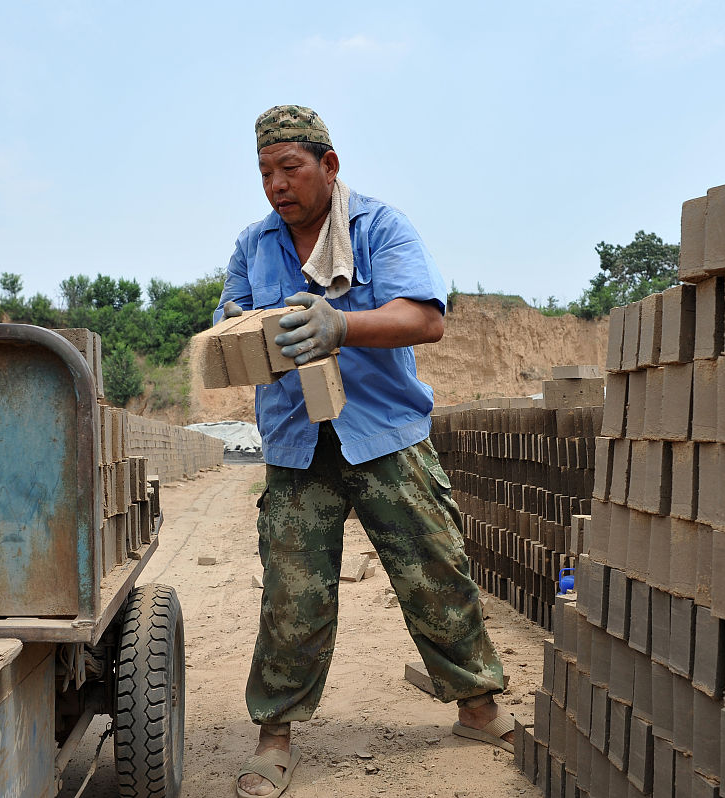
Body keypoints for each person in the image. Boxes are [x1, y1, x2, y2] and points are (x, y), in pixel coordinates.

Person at [217, 105, 512, 798]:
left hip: (383, 434)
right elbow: (227, 319)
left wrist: (340, 325)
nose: (276, 185)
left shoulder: (378, 227)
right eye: (264, 173)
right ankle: (276, 737)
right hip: (296, 442)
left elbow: (425, 318)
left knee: (434, 572)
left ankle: (477, 708)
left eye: (289, 168)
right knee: (293, 596)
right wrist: (243, 331)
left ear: (329, 165)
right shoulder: (253, 245)